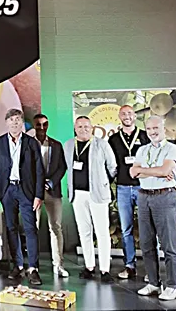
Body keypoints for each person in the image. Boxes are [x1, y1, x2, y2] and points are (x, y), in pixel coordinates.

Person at [0, 109, 44, 285]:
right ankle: (18, 265)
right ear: (6, 122)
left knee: (30, 229)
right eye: (12, 119)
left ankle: (33, 268)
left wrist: (38, 195)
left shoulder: (31, 143)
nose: (15, 122)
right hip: (7, 191)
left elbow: (39, 170)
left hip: (26, 190)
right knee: (11, 228)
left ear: (22, 123)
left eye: (18, 119)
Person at [131, 116, 176, 301]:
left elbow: (164, 171)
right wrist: (157, 171)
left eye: (156, 128)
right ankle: (153, 283)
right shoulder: (142, 150)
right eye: (149, 129)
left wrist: (145, 171)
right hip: (144, 197)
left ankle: (173, 286)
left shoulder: (172, 149)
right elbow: (132, 172)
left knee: (168, 245)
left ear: (164, 129)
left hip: (164, 196)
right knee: (146, 243)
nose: (152, 132)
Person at [64, 116, 117, 283]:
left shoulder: (102, 144)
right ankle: (89, 266)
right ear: (75, 128)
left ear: (92, 127)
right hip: (77, 195)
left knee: (102, 232)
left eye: (86, 126)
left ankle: (105, 269)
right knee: (84, 231)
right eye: (80, 126)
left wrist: (103, 183)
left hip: (98, 194)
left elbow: (112, 167)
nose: (83, 129)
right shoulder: (68, 145)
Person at [107, 105, 150, 280]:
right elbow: (110, 164)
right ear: (119, 116)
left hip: (143, 187)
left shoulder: (145, 136)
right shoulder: (113, 139)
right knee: (126, 229)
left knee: (149, 228)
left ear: (134, 116)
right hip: (123, 188)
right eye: (123, 114)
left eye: (130, 113)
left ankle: (151, 269)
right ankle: (129, 266)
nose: (127, 116)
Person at [33, 114, 69, 278]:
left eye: (45, 124)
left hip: (53, 192)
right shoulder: (28, 144)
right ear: (34, 126)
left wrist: (52, 183)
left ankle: (58, 265)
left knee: (55, 227)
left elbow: (62, 167)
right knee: (33, 228)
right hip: (34, 193)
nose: (42, 128)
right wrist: (38, 184)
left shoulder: (56, 144)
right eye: (38, 125)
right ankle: (33, 266)